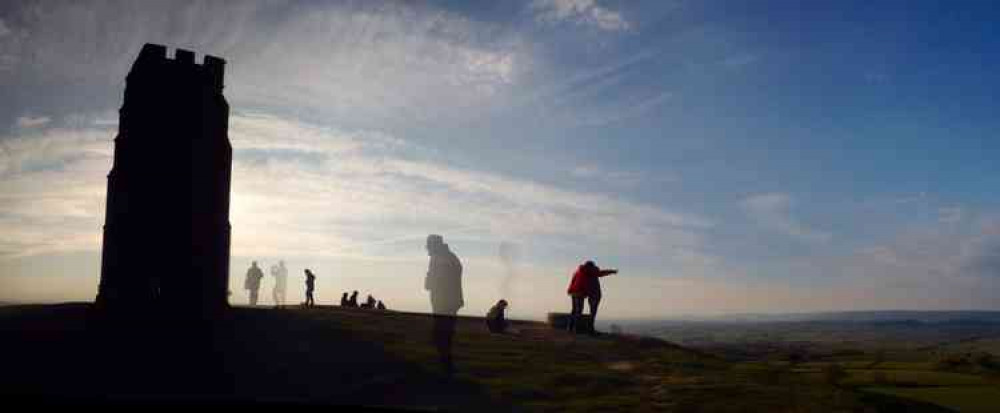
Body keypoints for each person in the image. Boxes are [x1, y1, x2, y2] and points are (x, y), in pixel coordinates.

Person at [424, 234, 463, 377]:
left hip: (446, 302)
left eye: (428, 245)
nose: (426, 249)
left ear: (434, 245)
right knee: (442, 334)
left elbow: (433, 281)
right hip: (446, 301)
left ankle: (445, 369)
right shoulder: (444, 257)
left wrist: (431, 281)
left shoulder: (442, 259)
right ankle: (445, 367)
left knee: (442, 334)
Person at [566, 260, 617, 335]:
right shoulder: (590, 271)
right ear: (591, 267)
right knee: (578, 311)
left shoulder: (578, 271)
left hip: (573, 291)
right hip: (580, 292)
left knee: (574, 310)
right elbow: (601, 273)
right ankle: (576, 329)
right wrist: (612, 271)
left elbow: (573, 281)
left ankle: (570, 327)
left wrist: (570, 290)